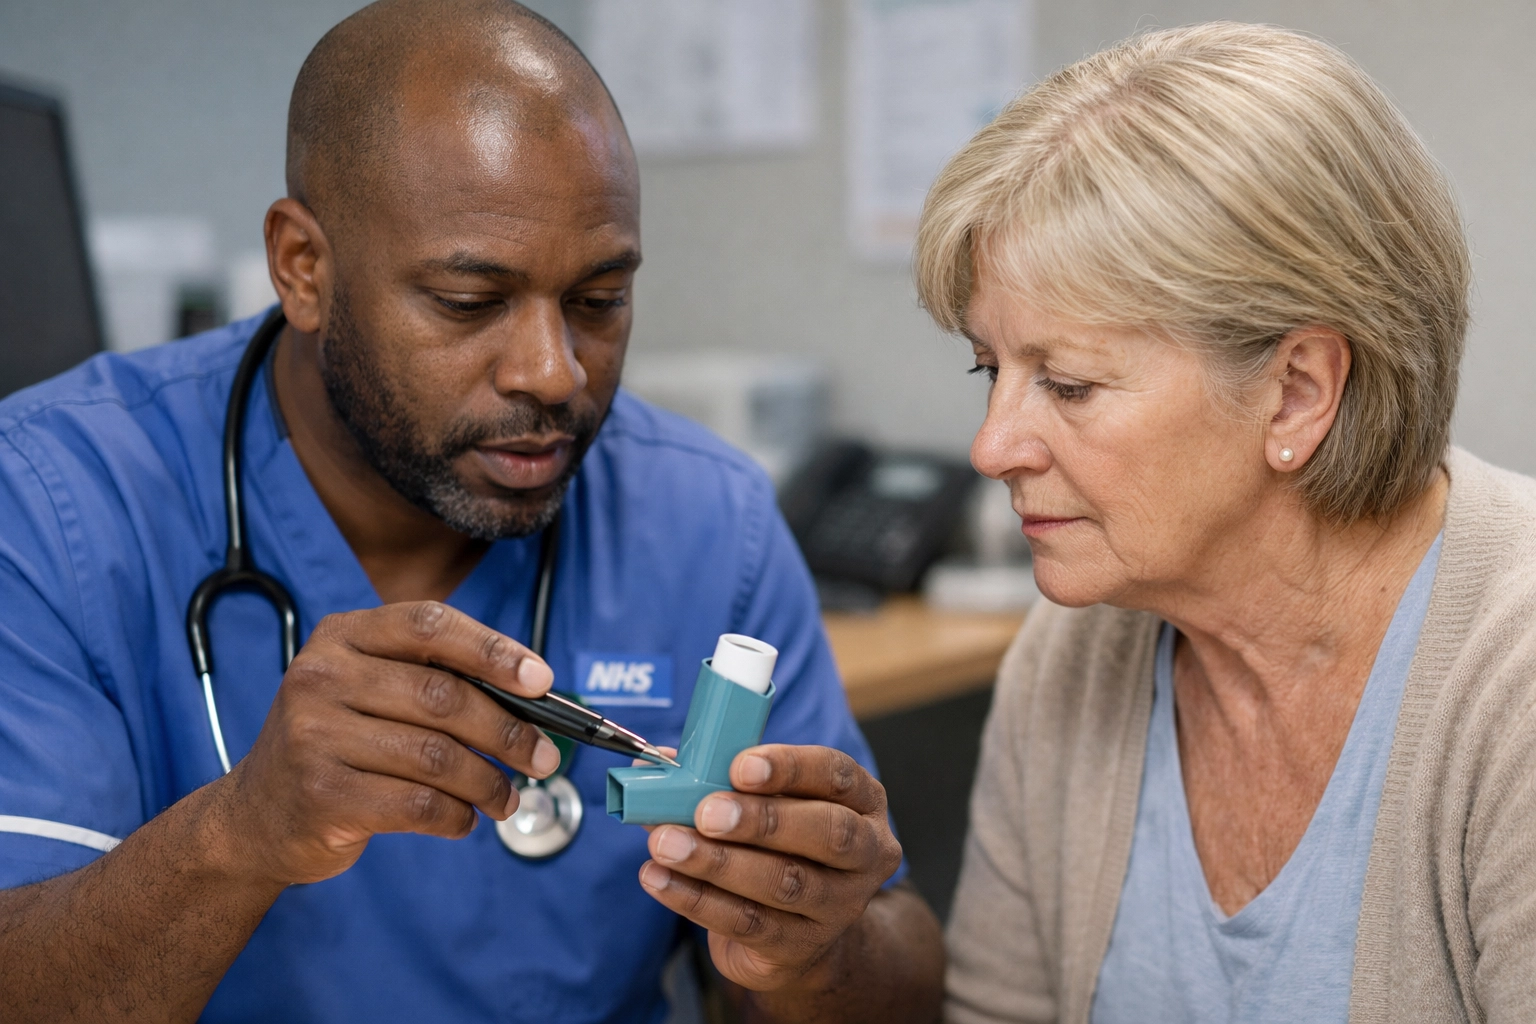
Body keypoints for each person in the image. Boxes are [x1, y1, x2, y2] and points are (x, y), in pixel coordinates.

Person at [0, 2, 944, 1021]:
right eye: (468, 301)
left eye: (599, 299)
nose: (553, 371)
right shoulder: (57, 502)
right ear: (303, 267)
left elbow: (890, 987)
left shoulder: (709, 523)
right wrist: (240, 832)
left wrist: (816, 949)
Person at [914, 21, 1536, 1024]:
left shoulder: (1515, 683)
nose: (992, 448)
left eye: (1068, 385)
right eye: (994, 370)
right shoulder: (1071, 654)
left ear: (1296, 392)